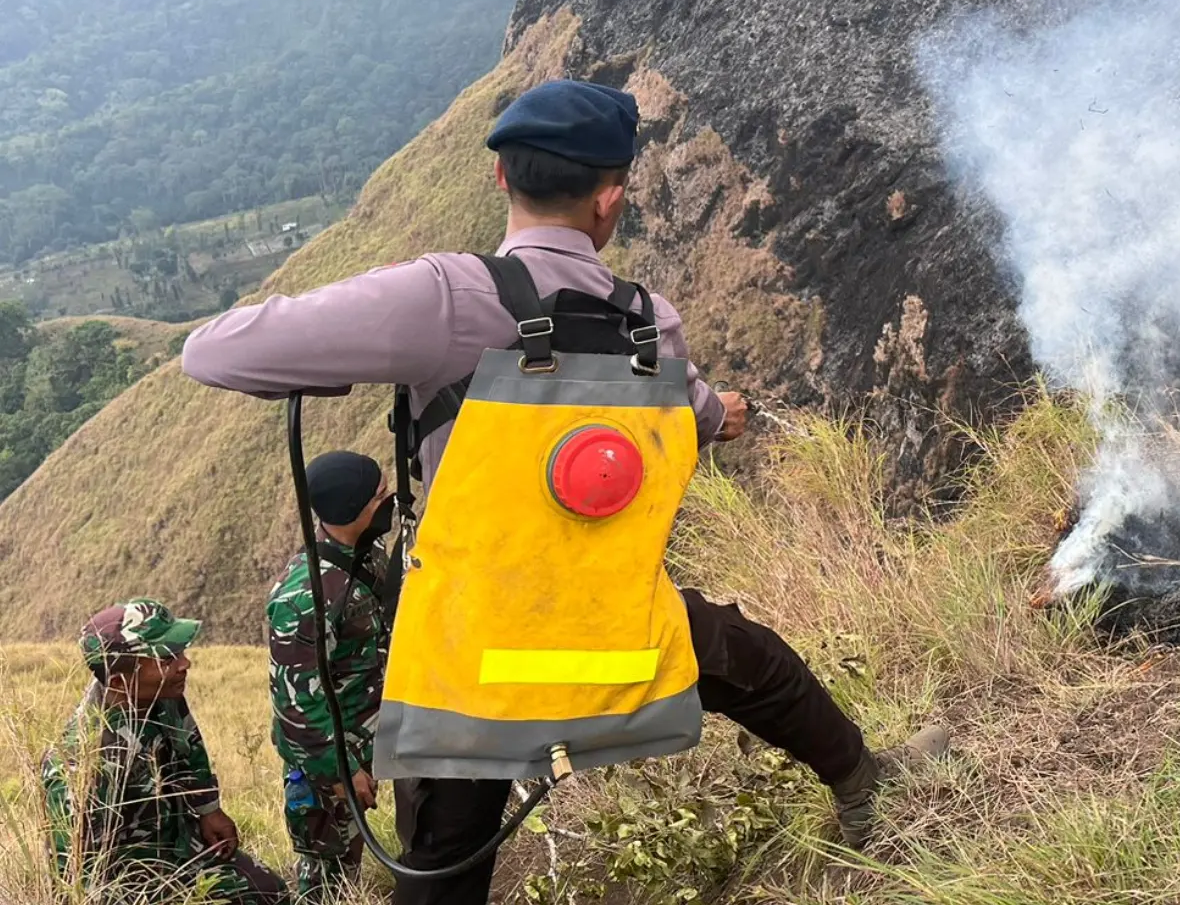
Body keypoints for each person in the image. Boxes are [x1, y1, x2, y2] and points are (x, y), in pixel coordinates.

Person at [181, 78, 948, 904]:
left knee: (443, 851)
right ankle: (863, 780)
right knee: (736, 651)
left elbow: (212, 353)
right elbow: (688, 419)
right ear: (611, 199)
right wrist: (722, 413)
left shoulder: (440, 298)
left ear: (501, 179)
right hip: (606, 631)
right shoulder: (652, 324)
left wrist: (351, 366)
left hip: (470, 653)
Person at [41, 598, 289, 905]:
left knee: (270, 894)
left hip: (176, 848)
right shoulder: (84, 762)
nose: (184, 663)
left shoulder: (163, 694)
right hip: (126, 883)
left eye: (180, 651)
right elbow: (76, 879)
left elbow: (189, 745)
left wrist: (208, 809)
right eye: (167, 658)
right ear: (121, 681)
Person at [267, 450, 396, 902]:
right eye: (380, 493)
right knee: (328, 875)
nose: (389, 498)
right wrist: (339, 771)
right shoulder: (304, 596)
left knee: (352, 862)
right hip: (328, 759)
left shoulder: (368, 553)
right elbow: (295, 708)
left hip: (369, 737)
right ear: (353, 509)